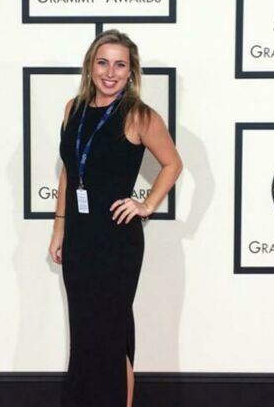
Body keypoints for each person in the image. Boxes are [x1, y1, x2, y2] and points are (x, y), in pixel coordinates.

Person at [48, 29, 182, 407]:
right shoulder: (72, 108)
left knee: (110, 334)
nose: (110, 72)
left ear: (130, 71)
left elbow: (173, 163)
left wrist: (146, 204)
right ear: (91, 66)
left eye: (120, 64)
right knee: (86, 335)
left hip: (117, 241)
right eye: (103, 62)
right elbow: (70, 171)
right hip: (80, 238)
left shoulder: (139, 116)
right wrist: (60, 226)